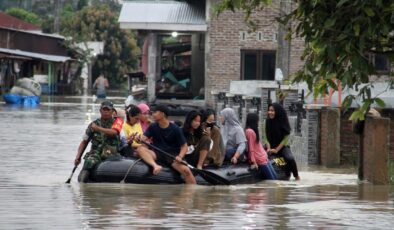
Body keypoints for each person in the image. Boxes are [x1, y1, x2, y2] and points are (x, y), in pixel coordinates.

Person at [132, 104, 197, 184]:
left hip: (172, 155)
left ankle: (193, 192)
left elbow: (184, 146)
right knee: (140, 149)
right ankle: (155, 166)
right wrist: (138, 139)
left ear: (162, 114)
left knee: (186, 171)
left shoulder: (175, 129)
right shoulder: (153, 127)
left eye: (155, 112)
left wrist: (180, 156)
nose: (152, 114)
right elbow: (143, 139)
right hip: (157, 153)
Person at [74, 101, 122, 182]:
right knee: (88, 162)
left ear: (113, 111)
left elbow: (114, 132)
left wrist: (98, 129)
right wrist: (78, 157)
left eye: (108, 110)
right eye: (104, 109)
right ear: (100, 110)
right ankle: (83, 184)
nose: (106, 112)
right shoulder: (93, 124)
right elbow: (84, 141)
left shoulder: (118, 121)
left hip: (112, 152)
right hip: (96, 152)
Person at [265, 103, 300, 180]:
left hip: (282, 147)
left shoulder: (283, 122)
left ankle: (296, 176)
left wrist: (276, 150)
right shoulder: (267, 121)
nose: (270, 112)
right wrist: (268, 148)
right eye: (269, 110)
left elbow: (286, 139)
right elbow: (265, 137)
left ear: (277, 112)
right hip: (270, 146)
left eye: (272, 111)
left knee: (290, 158)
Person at [245, 113, 277, 180]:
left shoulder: (252, 131)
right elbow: (251, 148)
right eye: (257, 120)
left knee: (275, 178)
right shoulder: (250, 132)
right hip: (260, 159)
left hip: (264, 158)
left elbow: (257, 146)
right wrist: (254, 162)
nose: (258, 122)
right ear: (253, 121)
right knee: (272, 180)